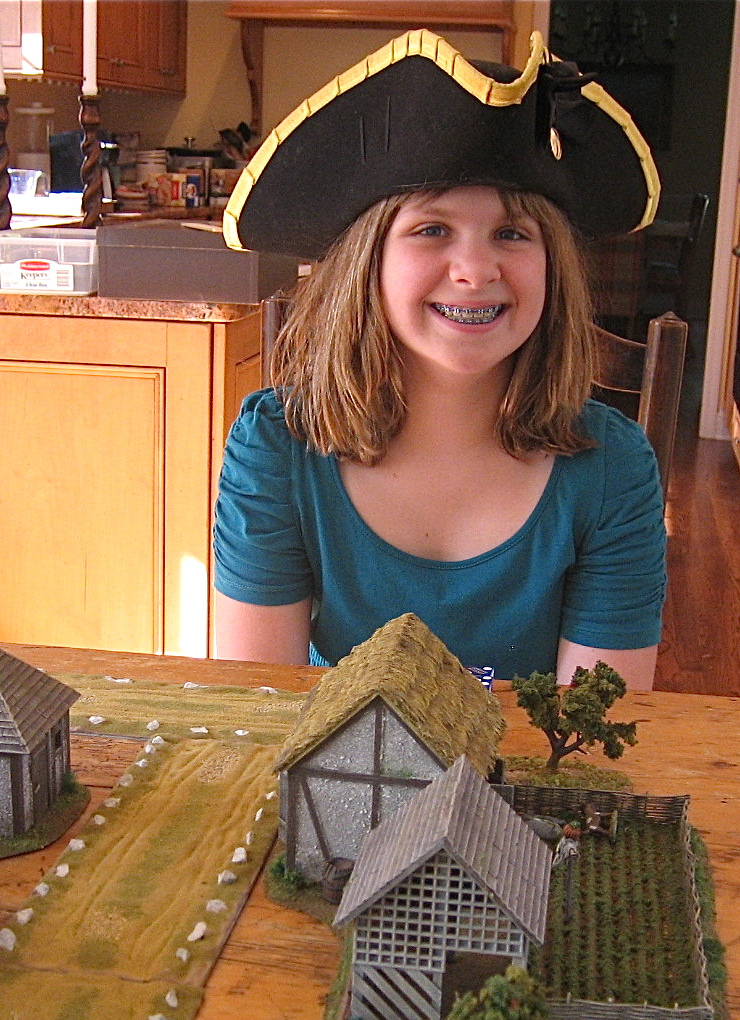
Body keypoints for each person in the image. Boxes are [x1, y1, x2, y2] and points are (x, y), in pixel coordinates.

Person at [213, 29, 666, 688]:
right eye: (432, 230)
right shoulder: (277, 449)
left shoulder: (613, 469)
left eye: (511, 233)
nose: (475, 271)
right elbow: (261, 704)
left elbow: (596, 725)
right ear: (368, 263)